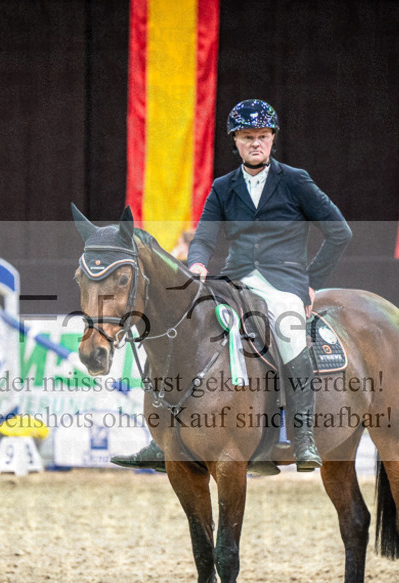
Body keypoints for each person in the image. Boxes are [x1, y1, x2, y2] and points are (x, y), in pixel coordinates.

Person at [112, 99, 351, 473]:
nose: (255, 143)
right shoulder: (223, 187)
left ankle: (302, 436)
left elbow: (340, 232)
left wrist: (310, 283)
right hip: (235, 279)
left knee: (290, 334)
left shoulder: (295, 181)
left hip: (283, 283)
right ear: (235, 142)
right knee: (188, 328)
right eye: (247, 137)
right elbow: (206, 234)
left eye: (262, 136)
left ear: (272, 139)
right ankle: (165, 437)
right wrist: (197, 262)